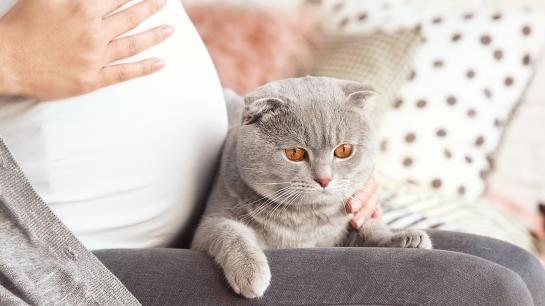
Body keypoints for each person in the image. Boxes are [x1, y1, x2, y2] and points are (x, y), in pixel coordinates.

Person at [0, 1, 543, 305]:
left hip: (227, 205)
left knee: (517, 263)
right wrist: (11, 59)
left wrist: (340, 161)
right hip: (66, 261)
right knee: (482, 292)